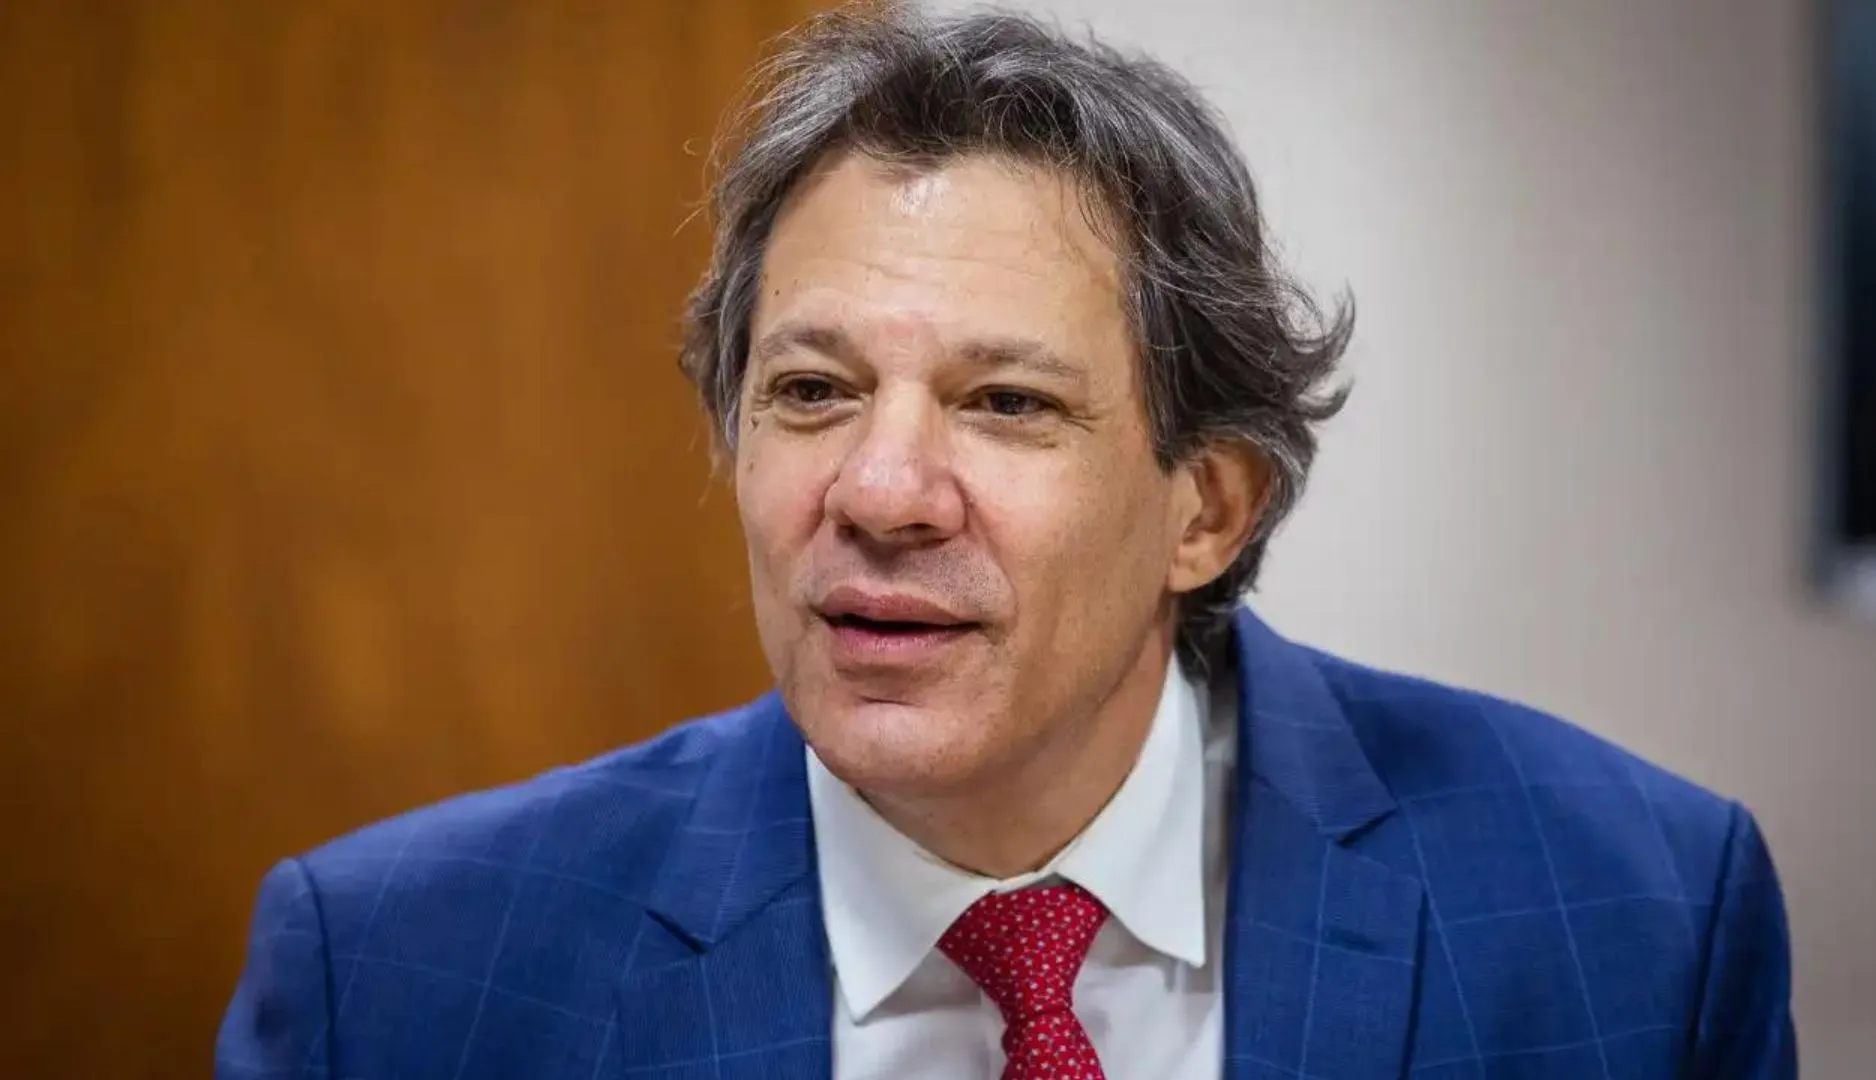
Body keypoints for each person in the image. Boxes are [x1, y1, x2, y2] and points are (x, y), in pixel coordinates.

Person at [216, 7, 1794, 1079]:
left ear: (1207, 506)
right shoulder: (399, 977)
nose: (882, 490)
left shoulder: (1637, 914)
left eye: (1007, 403)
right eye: (813, 391)